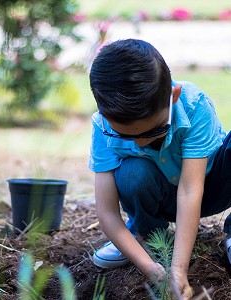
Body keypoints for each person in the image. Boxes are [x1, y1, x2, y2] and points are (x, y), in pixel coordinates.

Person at [88, 38, 231, 299]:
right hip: (158, 198)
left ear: (173, 96)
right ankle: (145, 234)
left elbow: (190, 190)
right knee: (133, 172)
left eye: (155, 131)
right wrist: (152, 269)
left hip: (210, 188)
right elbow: (107, 212)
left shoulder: (193, 104)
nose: (142, 142)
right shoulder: (102, 127)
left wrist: (178, 269)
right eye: (127, 137)